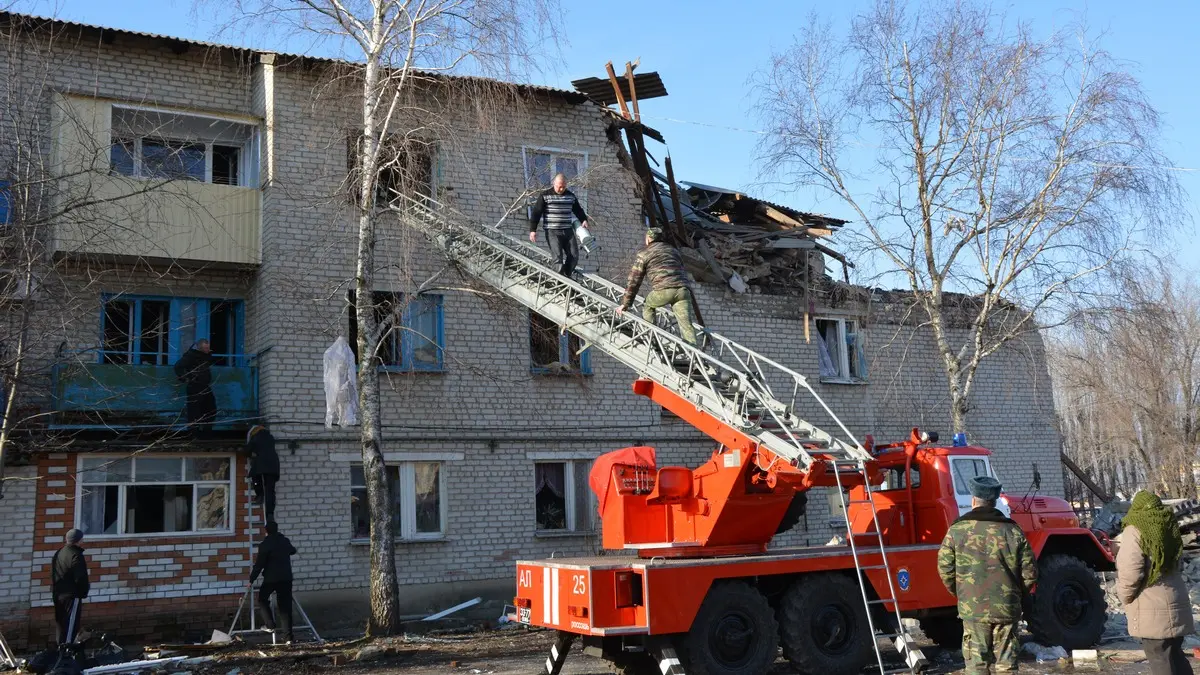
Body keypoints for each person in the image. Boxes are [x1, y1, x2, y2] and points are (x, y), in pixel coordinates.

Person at [937, 476, 1036, 675]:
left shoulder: (957, 531)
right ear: (995, 500)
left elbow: (945, 569)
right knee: (1007, 667)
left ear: (974, 500)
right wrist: (1014, 595)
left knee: (977, 667)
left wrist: (964, 594)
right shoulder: (1013, 531)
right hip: (1007, 608)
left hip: (973, 609)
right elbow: (1030, 572)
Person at [1116, 490, 1194, 675]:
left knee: (1161, 659)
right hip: (1176, 600)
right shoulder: (1169, 528)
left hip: (1151, 607)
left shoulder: (1134, 529)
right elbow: (1179, 562)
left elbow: (1130, 571)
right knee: (1174, 655)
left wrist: (1125, 597)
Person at [616, 227, 699, 346]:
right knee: (686, 325)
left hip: (664, 290)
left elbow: (634, 280)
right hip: (683, 290)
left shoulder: (644, 254)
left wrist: (626, 303)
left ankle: (651, 338)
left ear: (648, 239)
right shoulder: (673, 251)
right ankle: (694, 356)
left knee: (648, 305)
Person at [528, 173, 590, 278]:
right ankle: (560, 282)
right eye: (559, 186)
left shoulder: (570, 196)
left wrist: (583, 219)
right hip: (552, 231)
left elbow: (578, 209)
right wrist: (533, 230)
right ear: (554, 183)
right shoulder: (545, 195)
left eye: (563, 187)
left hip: (568, 231)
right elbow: (536, 212)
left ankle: (566, 276)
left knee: (574, 256)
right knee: (557, 258)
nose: (561, 189)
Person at [248, 521, 297, 643]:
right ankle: (288, 638)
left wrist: (251, 580)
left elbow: (259, 565)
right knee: (285, 608)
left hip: (271, 579)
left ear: (266, 531)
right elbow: (293, 551)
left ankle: (270, 625)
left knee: (262, 599)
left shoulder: (265, 545)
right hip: (286, 578)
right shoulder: (284, 541)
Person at [50, 528, 90, 646]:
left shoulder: (59, 552)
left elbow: (54, 573)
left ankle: (60, 647)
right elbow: (80, 577)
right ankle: (66, 651)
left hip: (58, 594)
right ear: (79, 540)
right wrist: (83, 592)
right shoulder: (76, 555)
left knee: (61, 624)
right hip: (71, 595)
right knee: (71, 624)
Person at [174, 339, 217, 433]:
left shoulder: (204, 356)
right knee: (194, 410)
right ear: (200, 348)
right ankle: (193, 432)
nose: (208, 349)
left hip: (205, 386)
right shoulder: (191, 356)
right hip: (195, 386)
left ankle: (206, 430)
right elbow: (178, 366)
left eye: (208, 347)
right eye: (206, 348)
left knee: (211, 408)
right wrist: (186, 378)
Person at [246, 425, 281, 522]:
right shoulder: (270, 437)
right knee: (270, 490)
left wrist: (250, 454)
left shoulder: (255, 437)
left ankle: (259, 494)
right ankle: (270, 513)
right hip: (274, 465)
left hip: (262, 464)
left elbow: (247, 450)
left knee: (255, 477)